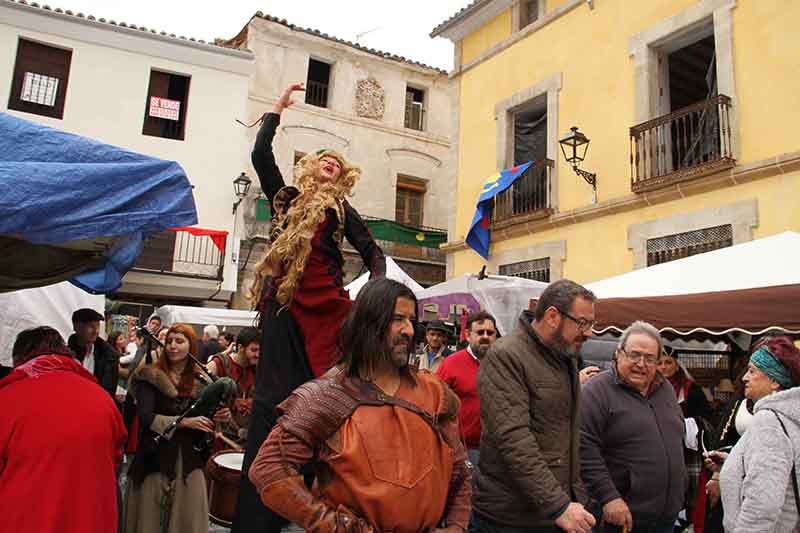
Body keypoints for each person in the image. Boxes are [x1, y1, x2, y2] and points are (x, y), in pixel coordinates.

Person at [233, 82, 385, 533]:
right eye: (324, 159)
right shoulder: (287, 200)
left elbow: (372, 251)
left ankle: (321, 502)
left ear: (341, 177)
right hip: (285, 302)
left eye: (337, 163)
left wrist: (372, 294)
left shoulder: (341, 208)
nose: (330, 164)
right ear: (310, 168)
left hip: (329, 307)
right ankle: (258, 516)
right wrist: (275, 110)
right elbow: (262, 158)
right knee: (272, 403)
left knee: (323, 402)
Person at [248, 278, 471, 532]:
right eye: (398, 319)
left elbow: (460, 472)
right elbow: (268, 469)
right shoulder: (328, 395)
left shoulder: (433, 392)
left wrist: (456, 528)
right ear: (369, 323)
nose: (409, 330)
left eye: (411, 321)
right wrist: (333, 526)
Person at [473, 279, 596, 533]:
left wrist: (577, 496)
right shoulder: (506, 356)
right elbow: (514, 440)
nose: (589, 333)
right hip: (513, 519)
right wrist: (559, 505)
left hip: (555, 512)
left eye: (591, 324)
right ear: (552, 316)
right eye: (582, 323)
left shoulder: (565, 357)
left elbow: (566, 435)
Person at [0, 326, 126, 533]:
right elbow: (116, 458)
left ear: (20, 358)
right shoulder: (102, 398)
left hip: (26, 520)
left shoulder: (8, 398)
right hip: (91, 520)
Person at [580, 321, 687, 533]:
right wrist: (609, 498)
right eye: (634, 355)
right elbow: (584, 448)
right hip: (622, 520)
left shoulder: (664, 388)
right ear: (619, 354)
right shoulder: (597, 390)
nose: (641, 363)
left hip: (665, 519)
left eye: (649, 358)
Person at [124, 323, 216, 533]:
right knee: (150, 520)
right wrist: (183, 422)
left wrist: (219, 417)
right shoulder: (150, 375)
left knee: (187, 519)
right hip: (154, 458)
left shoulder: (201, 380)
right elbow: (145, 417)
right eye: (169, 342)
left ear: (191, 346)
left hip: (188, 459)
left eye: (180, 341)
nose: (173, 346)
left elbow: (205, 420)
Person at [707, 337, 800, 533]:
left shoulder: (769, 421)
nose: (744, 378)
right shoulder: (790, 416)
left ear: (775, 381)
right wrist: (734, 462)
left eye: (752, 371)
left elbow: (763, 501)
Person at [436, 310, 498, 474]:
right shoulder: (451, 364)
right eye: (480, 332)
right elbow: (435, 404)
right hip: (463, 451)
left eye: (490, 333)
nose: (485, 336)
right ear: (468, 334)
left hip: (496, 451)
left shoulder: (502, 364)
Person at [659, 345, 712, 530]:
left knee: (690, 491)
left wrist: (687, 424)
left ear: (676, 366)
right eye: (660, 363)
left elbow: (707, 417)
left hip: (688, 451)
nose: (664, 367)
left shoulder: (691, 390)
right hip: (660, 449)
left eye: (668, 363)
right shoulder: (649, 387)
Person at [208, 327, 260, 446]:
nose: (258, 354)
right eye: (254, 350)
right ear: (240, 347)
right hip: (219, 440)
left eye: (261, 350)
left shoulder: (258, 369)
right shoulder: (219, 363)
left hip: (245, 441)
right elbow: (199, 394)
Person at [68, 307, 120, 399]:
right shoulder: (66, 353)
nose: (96, 331)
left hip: (95, 404)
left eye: (98, 326)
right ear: (77, 327)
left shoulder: (108, 355)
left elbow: (109, 390)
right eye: (91, 326)